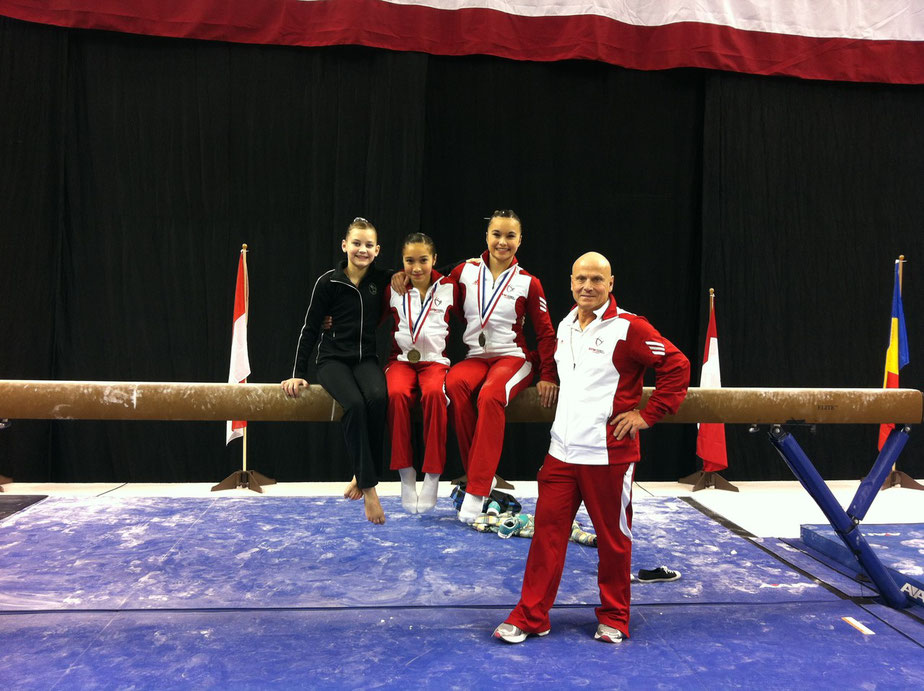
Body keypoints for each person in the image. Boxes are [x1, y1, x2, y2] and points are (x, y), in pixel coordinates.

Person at [494, 251, 690, 644]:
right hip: (561, 454)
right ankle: (531, 615)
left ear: (610, 284)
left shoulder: (630, 328)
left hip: (608, 456)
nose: (588, 286)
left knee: (613, 541)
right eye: (581, 279)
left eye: (597, 280)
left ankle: (615, 617)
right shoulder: (565, 324)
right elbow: (556, 367)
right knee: (546, 538)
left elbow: (677, 365)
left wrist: (648, 415)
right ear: (570, 282)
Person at [446, 210, 559, 523]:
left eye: (510, 236)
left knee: (491, 395)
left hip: (513, 358)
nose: (502, 242)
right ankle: (478, 474)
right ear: (487, 236)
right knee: (454, 383)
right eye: (497, 234)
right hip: (474, 358)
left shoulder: (528, 283)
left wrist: (548, 375)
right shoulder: (463, 272)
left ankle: (478, 489)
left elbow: (546, 334)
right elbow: (433, 302)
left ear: (520, 240)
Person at [281, 217, 392, 525]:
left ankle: (362, 473)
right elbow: (310, 327)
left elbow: (422, 272)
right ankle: (370, 489)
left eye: (369, 245)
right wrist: (296, 371)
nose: (362, 249)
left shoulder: (382, 280)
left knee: (379, 399)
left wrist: (472, 261)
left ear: (377, 249)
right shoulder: (328, 281)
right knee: (354, 405)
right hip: (332, 361)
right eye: (356, 243)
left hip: (365, 359)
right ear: (345, 246)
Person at [384, 233, 460, 514]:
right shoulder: (392, 287)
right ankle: (406, 473)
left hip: (435, 362)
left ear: (435, 260)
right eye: (409, 261)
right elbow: (366, 315)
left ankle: (432, 475)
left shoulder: (450, 286)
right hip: (402, 360)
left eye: (423, 260)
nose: (416, 268)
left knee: (434, 396)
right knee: (396, 394)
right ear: (401, 262)